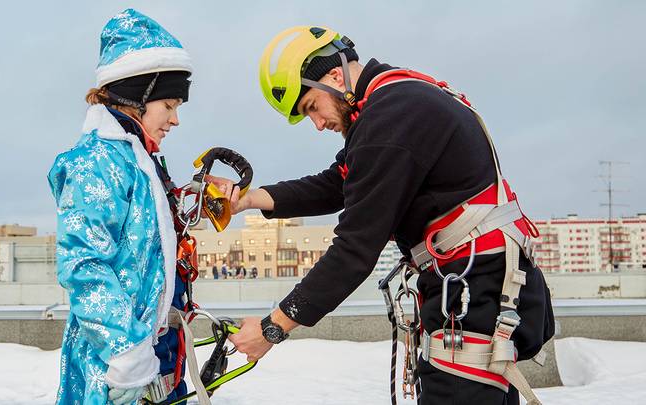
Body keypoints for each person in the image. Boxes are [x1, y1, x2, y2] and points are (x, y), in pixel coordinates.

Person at [222, 26, 554, 405]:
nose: (317, 124)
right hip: (476, 286)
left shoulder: (390, 118)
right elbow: (340, 182)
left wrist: (272, 328)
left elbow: (354, 251)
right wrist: (250, 200)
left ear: (334, 75)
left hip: (471, 290)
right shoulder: (397, 100)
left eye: (312, 106)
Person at [48, 9, 195, 405]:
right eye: (169, 104)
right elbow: (83, 265)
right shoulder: (96, 162)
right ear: (137, 97)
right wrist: (126, 356)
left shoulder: (138, 159)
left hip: (158, 355)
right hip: (118, 368)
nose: (175, 119)